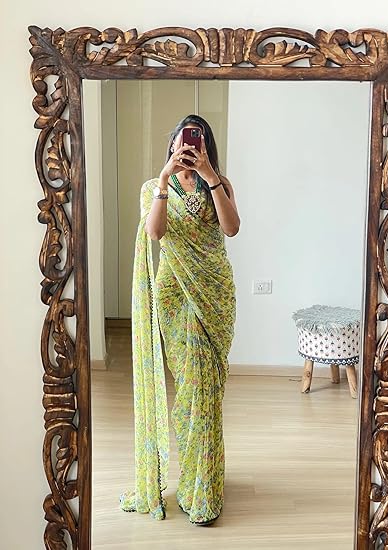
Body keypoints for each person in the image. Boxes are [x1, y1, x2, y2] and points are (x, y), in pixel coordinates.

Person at [120, 114, 240, 526]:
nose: (189, 146)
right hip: (175, 294)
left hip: (214, 293)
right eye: (183, 139)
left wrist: (210, 176)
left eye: (197, 140)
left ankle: (203, 486)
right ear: (173, 143)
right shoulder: (153, 188)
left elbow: (231, 228)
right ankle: (195, 485)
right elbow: (155, 233)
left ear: (206, 146)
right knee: (191, 389)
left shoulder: (219, 183)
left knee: (207, 391)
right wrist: (163, 179)